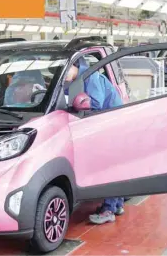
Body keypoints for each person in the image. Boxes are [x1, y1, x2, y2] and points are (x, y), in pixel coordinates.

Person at [64, 57, 124, 224]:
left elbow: (95, 104)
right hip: (104, 125)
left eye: (65, 70)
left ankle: (109, 210)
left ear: (75, 66)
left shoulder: (92, 77)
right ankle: (117, 205)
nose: (63, 76)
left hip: (111, 126)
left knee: (108, 166)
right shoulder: (78, 79)